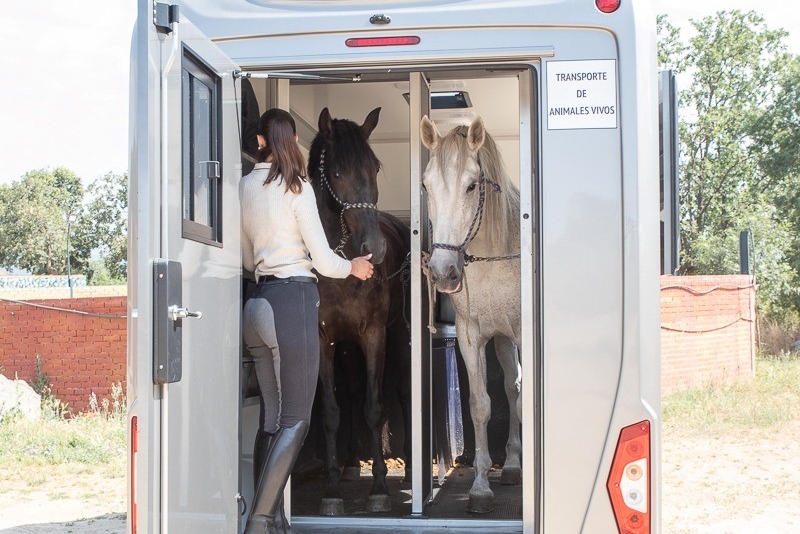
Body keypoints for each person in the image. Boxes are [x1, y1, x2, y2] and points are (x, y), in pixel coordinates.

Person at [240, 108, 373, 534]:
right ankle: (259, 521)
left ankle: (274, 520)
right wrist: (353, 267)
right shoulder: (298, 188)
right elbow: (324, 260)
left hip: (256, 305)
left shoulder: (243, 187)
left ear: (260, 142)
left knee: (271, 420)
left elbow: (246, 259)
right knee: (297, 420)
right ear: (294, 141)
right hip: (291, 302)